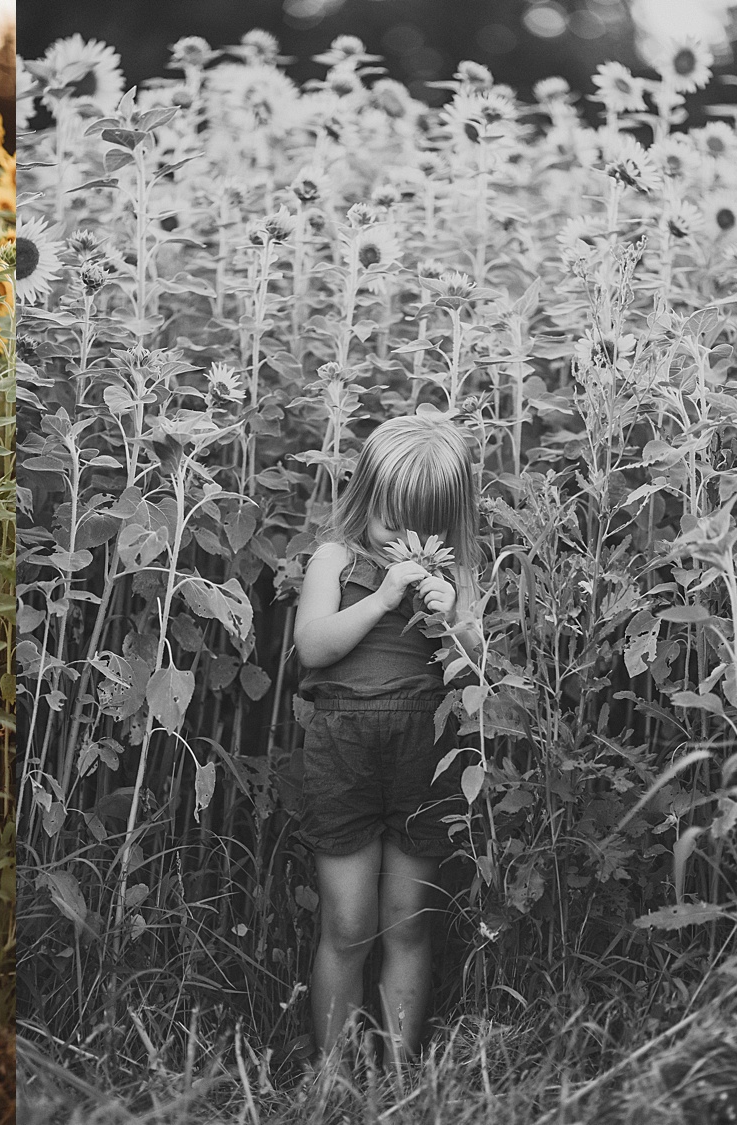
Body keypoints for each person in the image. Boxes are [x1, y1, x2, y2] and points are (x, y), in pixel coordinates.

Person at [292, 411, 482, 1063]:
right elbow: (314, 647)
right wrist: (380, 598)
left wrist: (452, 616)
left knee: (408, 920)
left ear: (450, 527)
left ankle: (400, 1075)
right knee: (347, 923)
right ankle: (332, 1075)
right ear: (365, 500)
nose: (408, 543)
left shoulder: (454, 581)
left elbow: (474, 670)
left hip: (422, 761)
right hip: (343, 756)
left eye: (426, 529)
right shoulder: (337, 558)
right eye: (392, 523)